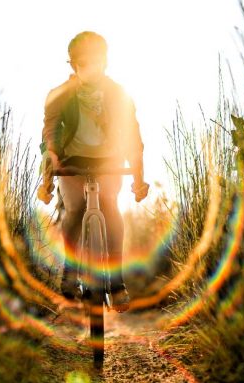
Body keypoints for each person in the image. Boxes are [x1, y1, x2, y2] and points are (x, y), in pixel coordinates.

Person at [37, 31, 149, 312]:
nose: (91, 68)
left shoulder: (118, 93)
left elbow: (133, 138)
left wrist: (138, 179)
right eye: (83, 63)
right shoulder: (59, 94)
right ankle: (70, 272)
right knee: (74, 209)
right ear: (74, 65)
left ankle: (117, 282)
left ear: (105, 62)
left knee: (110, 204)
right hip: (71, 159)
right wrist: (49, 174)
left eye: (97, 61)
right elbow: (50, 134)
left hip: (109, 159)